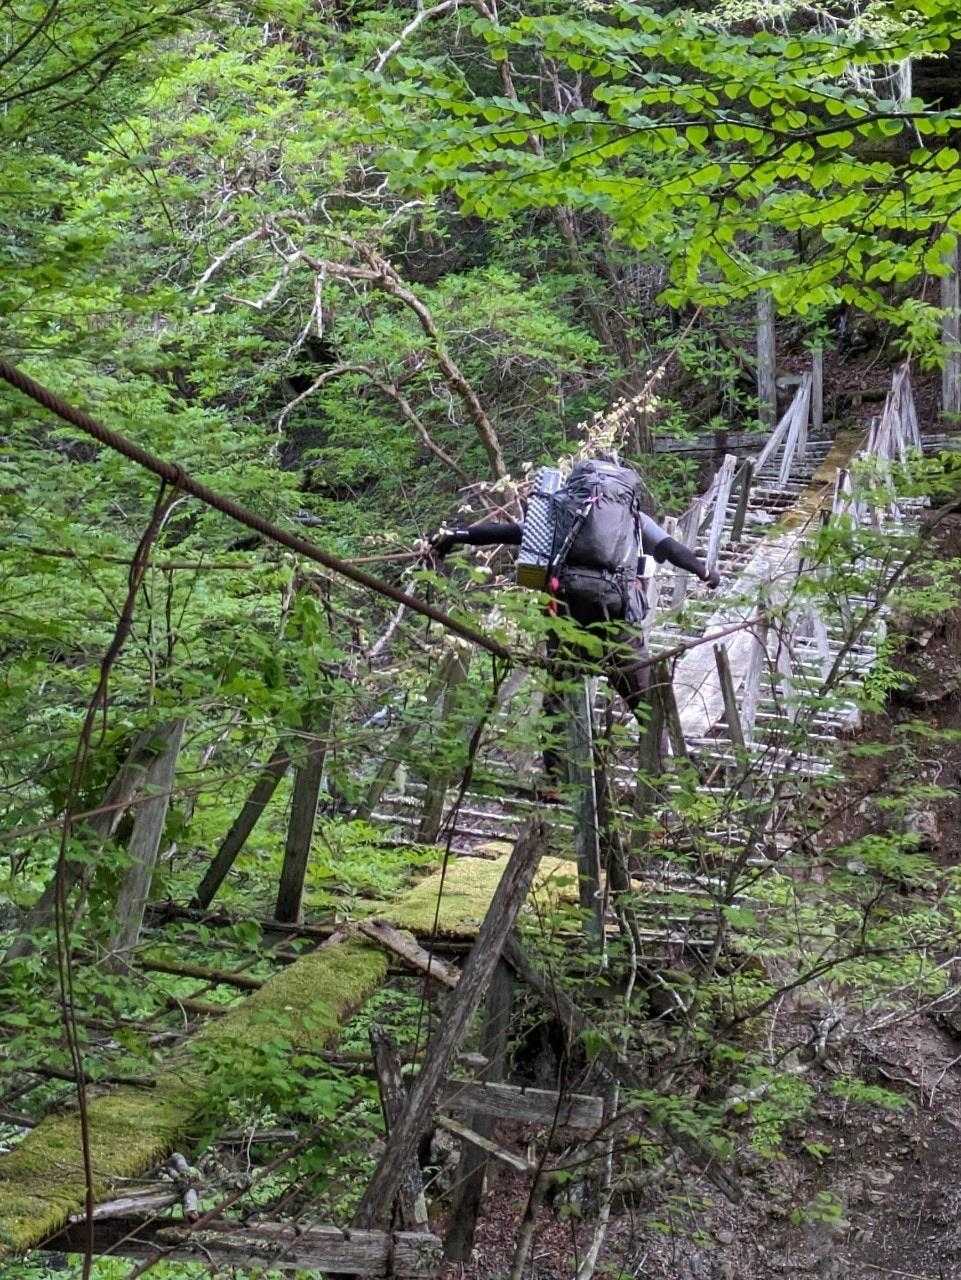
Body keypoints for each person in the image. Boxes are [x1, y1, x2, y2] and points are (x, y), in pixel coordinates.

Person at [429, 455, 721, 789]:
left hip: (567, 614)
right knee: (646, 701)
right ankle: (661, 776)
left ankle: (555, 781)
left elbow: (511, 533)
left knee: (559, 699)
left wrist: (457, 535)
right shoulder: (632, 517)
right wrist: (704, 571)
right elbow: (670, 548)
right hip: (616, 621)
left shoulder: (564, 513)